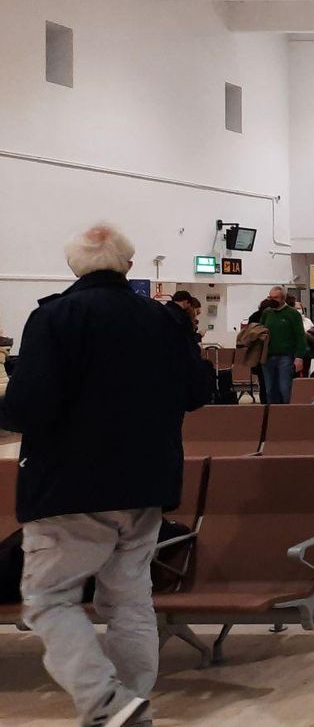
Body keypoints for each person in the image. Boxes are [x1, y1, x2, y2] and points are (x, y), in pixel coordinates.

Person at [0, 223, 210, 727]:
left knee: (49, 600)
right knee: (130, 602)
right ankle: (129, 707)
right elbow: (197, 391)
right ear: (129, 266)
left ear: (74, 267)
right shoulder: (164, 321)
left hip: (69, 488)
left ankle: (108, 704)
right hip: (146, 487)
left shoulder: (55, 317)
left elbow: (25, 409)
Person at [256, 286, 307, 404]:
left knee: (285, 388)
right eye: (270, 297)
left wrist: (299, 357)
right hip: (268, 357)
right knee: (270, 390)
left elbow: (300, 336)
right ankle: (273, 416)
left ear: (283, 298)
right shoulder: (266, 313)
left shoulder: (293, 314)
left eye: (275, 297)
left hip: (286, 357)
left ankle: (287, 413)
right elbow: (260, 329)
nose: (272, 300)